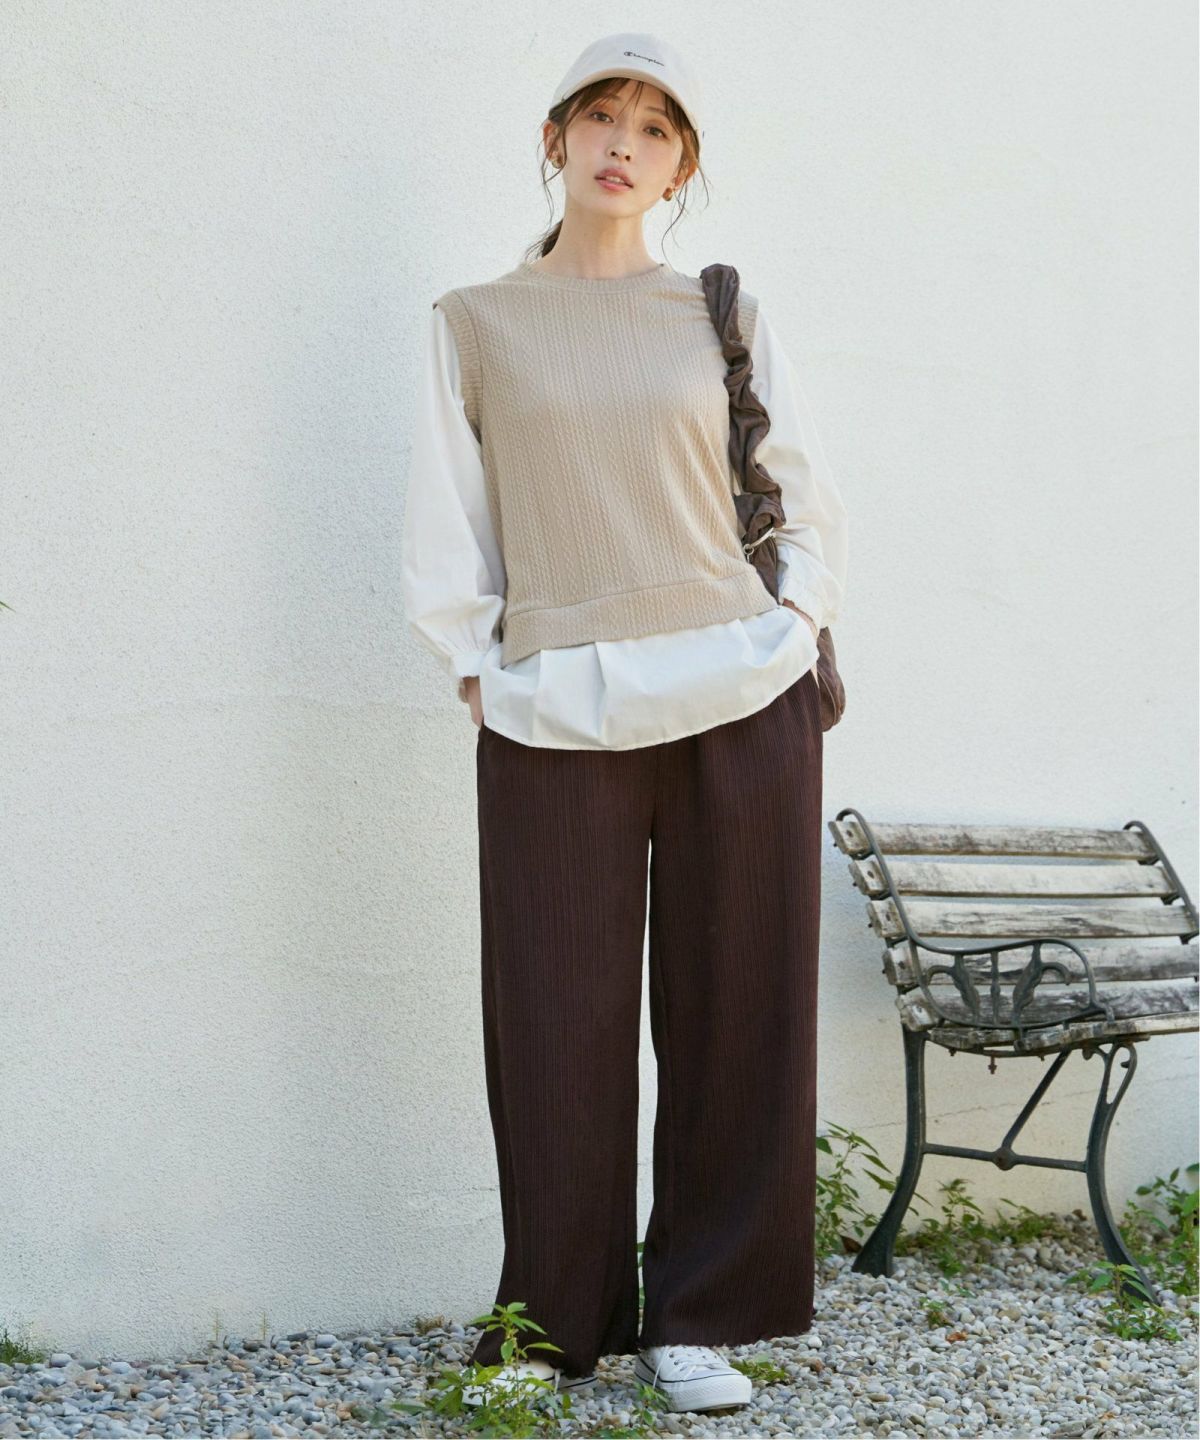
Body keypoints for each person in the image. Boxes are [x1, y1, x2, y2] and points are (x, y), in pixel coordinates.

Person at [400, 32, 848, 1416]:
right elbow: (446, 515)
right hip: (556, 705)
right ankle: (547, 1328)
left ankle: (698, 1317)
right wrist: (480, 669)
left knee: (738, 1012)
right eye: (602, 115)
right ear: (556, 138)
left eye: (656, 129)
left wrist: (794, 626)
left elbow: (801, 492)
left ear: (680, 166)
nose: (623, 144)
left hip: (740, 691)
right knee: (554, 1021)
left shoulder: (720, 310)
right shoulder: (476, 321)